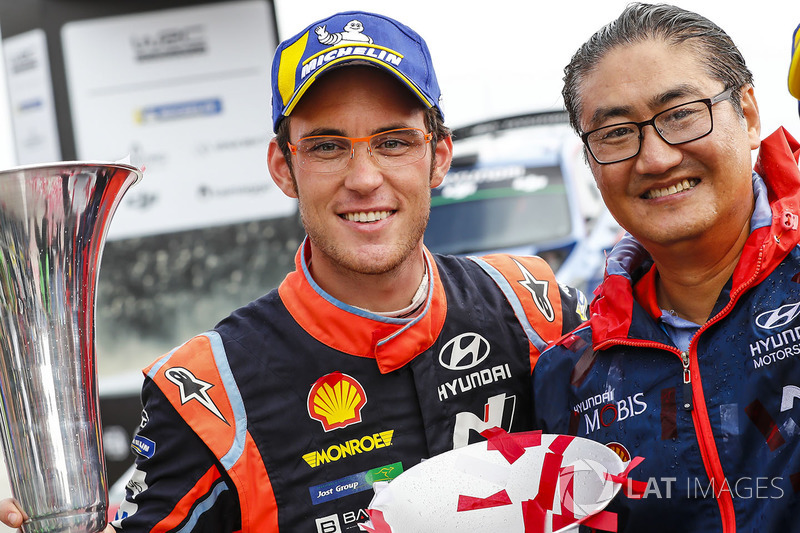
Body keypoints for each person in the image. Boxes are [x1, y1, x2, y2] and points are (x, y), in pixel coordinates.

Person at [0, 10, 586, 533]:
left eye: (393, 142)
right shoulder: (212, 391)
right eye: (328, 146)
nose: (363, 177)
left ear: (438, 156)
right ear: (284, 167)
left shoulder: (531, 305)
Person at [532, 3, 800, 532]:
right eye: (614, 134)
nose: (654, 159)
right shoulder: (568, 376)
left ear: (747, 115)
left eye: (680, 114)